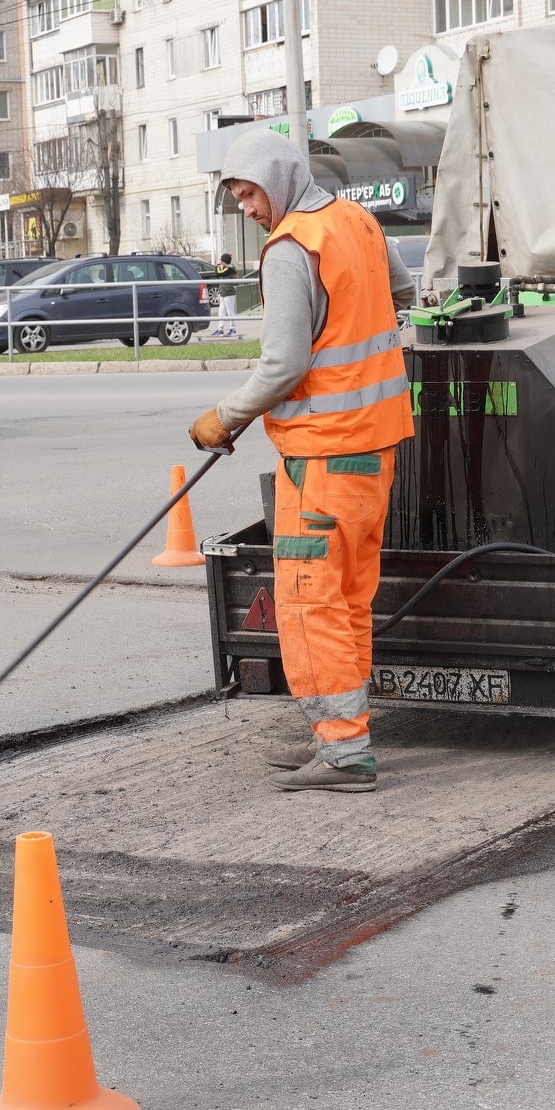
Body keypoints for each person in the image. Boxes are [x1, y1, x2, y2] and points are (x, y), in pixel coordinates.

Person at [190, 130, 416, 794]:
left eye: (251, 193)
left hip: (322, 457)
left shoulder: (293, 248)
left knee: (308, 602)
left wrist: (223, 417)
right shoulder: (359, 221)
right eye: (236, 198)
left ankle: (345, 752)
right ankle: (345, 736)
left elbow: (284, 366)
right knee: (348, 599)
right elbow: (400, 297)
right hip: (375, 449)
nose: (250, 209)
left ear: (280, 178)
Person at [209, 252, 240, 338]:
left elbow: (219, 272)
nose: (220, 262)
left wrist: (217, 264)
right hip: (223, 293)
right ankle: (220, 329)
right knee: (221, 312)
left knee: (230, 312)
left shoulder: (230, 269)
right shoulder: (224, 268)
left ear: (224, 261)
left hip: (229, 293)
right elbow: (220, 276)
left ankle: (233, 329)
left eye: (221, 260)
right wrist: (219, 293)